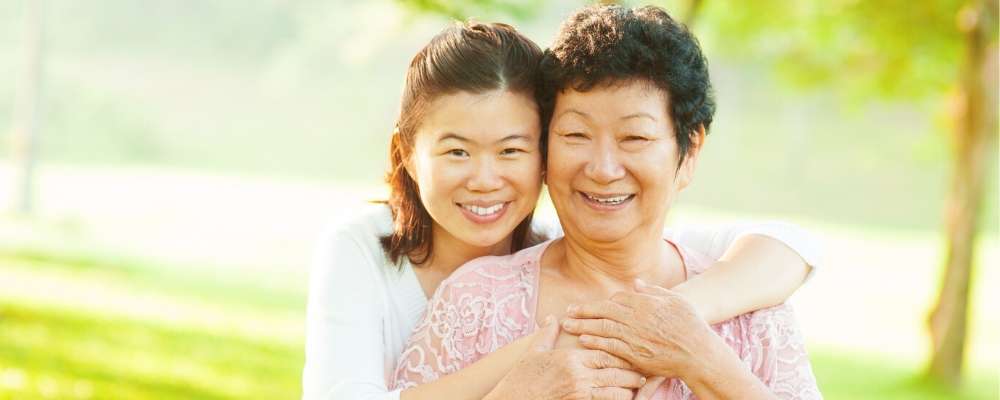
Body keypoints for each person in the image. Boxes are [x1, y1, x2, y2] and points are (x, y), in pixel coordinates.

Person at [304, 20, 819, 400]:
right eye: (575, 135)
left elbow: (786, 244)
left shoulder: (752, 312)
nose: (602, 168)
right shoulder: (469, 298)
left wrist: (698, 351)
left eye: (635, 137)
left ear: (689, 152)